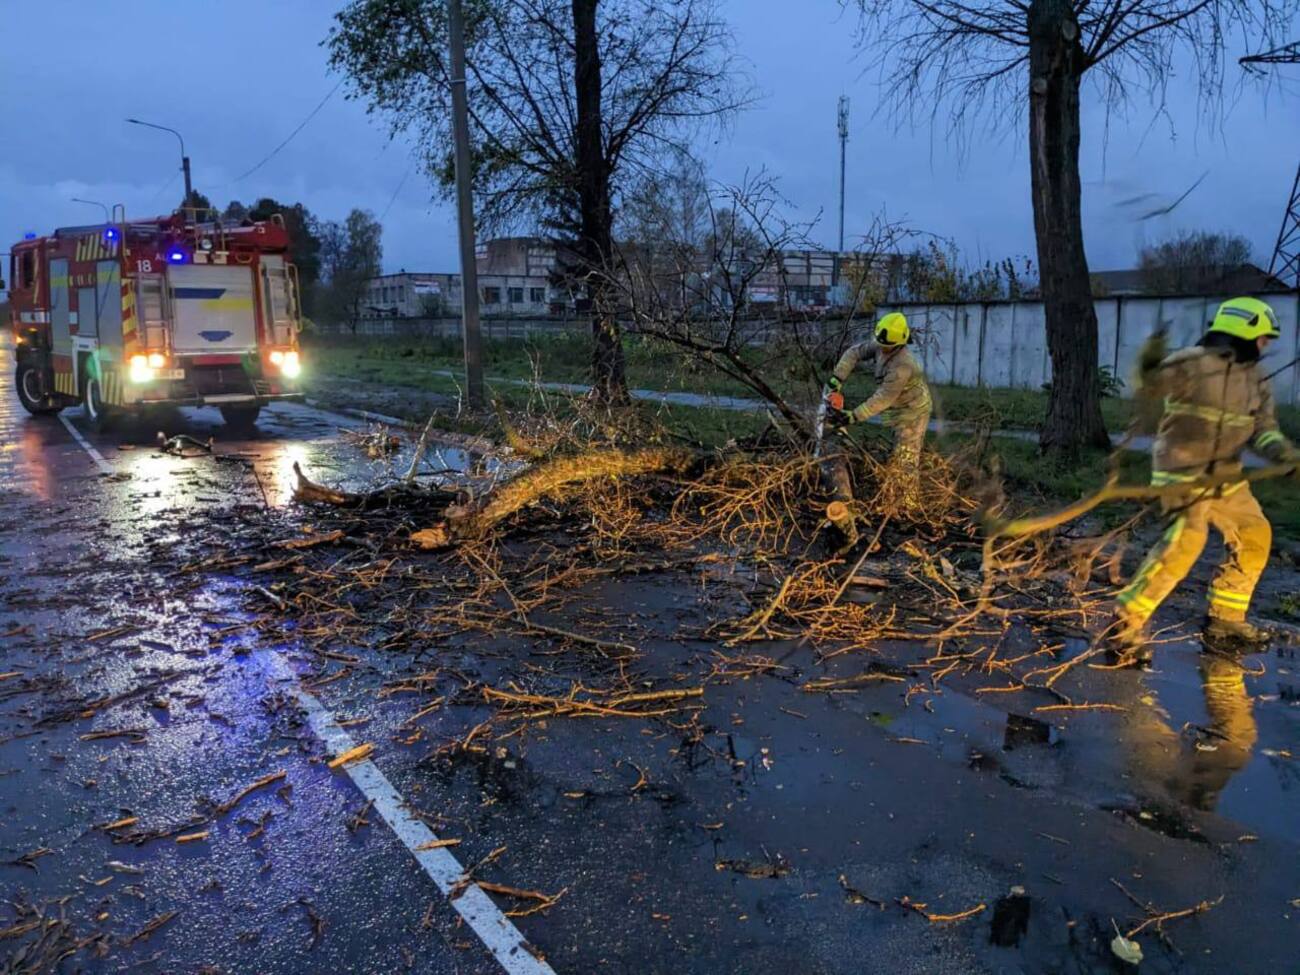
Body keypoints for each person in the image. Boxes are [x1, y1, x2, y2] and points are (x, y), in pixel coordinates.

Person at [1112, 296, 1299, 662]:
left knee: (1255, 535)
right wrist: (1148, 361)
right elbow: (1148, 386)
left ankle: (1225, 621)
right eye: (1263, 338)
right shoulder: (1191, 364)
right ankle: (1125, 623)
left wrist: (1286, 456)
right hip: (1181, 470)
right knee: (1187, 540)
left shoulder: (1255, 379)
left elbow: (1263, 429)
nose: (1266, 347)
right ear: (1243, 332)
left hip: (1226, 475)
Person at [824, 312, 933, 511]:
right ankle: (894, 497)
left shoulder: (903, 365)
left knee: (906, 457)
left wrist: (852, 416)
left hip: (912, 411)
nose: (881, 347)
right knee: (897, 452)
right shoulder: (884, 343)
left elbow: (882, 398)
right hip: (896, 406)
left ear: (899, 343)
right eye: (880, 343)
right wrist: (837, 379)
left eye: (886, 345)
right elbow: (854, 352)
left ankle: (909, 507)